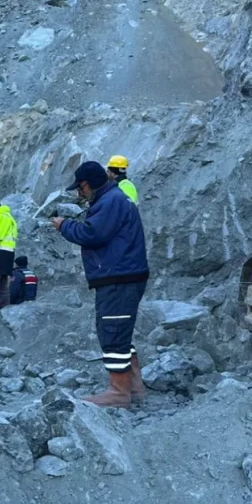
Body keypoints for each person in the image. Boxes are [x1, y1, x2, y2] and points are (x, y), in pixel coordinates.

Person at [51, 161, 150, 409]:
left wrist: (65, 225)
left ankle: (119, 392)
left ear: (88, 183)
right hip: (123, 275)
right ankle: (134, 387)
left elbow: (91, 234)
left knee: (112, 330)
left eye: (80, 187)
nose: (79, 192)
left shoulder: (110, 202)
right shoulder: (113, 199)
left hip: (118, 277)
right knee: (119, 329)